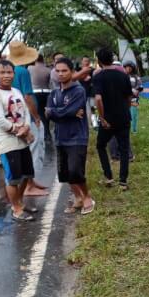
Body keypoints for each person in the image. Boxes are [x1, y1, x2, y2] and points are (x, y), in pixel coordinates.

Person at [0, 59, 37, 221]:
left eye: (9, 72)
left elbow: (26, 112)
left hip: (22, 140)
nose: (7, 75)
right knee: (13, 178)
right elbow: (0, 121)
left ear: (14, 73)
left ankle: (20, 203)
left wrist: (27, 127)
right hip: (7, 143)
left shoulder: (16, 91)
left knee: (26, 174)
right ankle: (16, 209)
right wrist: (20, 131)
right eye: (2, 72)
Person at [46, 57, 95, 215]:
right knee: (65, 173)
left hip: (77, 137)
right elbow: (49, 113)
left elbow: (65, 110)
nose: (60, 74)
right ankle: (77, 198)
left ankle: (87, 197)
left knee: (75, 171)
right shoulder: (53, 93)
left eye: (64, 70)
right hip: (60, 137)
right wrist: (63, 112)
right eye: (58, 71)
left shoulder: (78, 90)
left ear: (72, 72)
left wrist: (58, 112)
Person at [7, 40, 48, 197]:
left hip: (14, 115)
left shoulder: (7, 70)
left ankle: (31, 182)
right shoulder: (22, 72)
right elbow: (28, 96)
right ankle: (29, 185)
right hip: (26, 115)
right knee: (35, 148)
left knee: (25, 149)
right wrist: (36, 116)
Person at [94, 47, 132, 190]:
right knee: (124, 148)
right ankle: (123, 181)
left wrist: (102, 118)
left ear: (99, 61)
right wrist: (126, 110)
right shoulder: (123, 75)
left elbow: (98, 99)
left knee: (100, 145)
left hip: (108, 120)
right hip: (123, 117)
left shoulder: (98, 77)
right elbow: (129, 97)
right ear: (112, 59)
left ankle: (109, 177)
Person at [28, 53, 52, 141]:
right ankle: (47, 132)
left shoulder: (30, 68)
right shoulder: (48, 70)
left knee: (38, 114)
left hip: (35, 92)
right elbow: (50, 83)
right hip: (47, 92)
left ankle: (40, 133)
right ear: (43, 59)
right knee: (46, 113)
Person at [124, 60, 142, 134]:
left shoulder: (136, 77)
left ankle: (134, 131)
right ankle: (125, 130)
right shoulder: (122, 76)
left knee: (133, 115)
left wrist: (136, 91)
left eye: (130, 68)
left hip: (133, 100)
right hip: (123, 100)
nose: (128, 69)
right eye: (127, 67)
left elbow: (140, 87)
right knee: (124, 116)